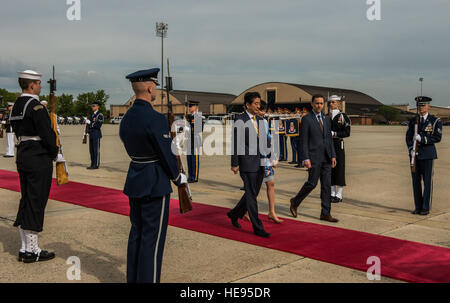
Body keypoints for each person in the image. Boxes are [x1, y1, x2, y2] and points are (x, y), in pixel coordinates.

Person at [120, 68, 187, 283]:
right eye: (155, 85)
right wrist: (178, 178)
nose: (155, 88)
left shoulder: (127, 117)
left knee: (137, 235)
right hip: (154, 182)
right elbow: (166, 154)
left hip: (135, 178)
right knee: (153, 240)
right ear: (149, 87)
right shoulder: (155, 119)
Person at [9, 70, 58, 263]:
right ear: (31, 85)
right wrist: (54, 152)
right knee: (36, 201)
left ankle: (25, 247)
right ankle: (32, 250)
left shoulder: (17, 105)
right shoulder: (36, 106)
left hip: (23, 153)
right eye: (38, 83)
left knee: (28, 199)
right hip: (38, 156)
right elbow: (47, 133)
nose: (40, 86)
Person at [289, 94, 339, 222]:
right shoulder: (307, 119)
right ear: (312, 104)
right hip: (314, 157)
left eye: (321, 103)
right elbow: (303, 140)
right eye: (317, 103)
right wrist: (305, 158)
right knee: (312, 183)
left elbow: (329, 139)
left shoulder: (327, 119)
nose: (319, 106)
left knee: (327, 186)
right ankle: (295, 201)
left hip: (327, 157)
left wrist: (333, 155)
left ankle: (325, 213)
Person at [228, 92, 271, 238]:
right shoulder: (239, 119)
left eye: (259, 103)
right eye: (256, 103)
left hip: (260, 162)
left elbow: (265, 141)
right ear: (248, 105)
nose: (259, 106)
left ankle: (234, 214)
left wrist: (271, 158)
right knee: (252, 195)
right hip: (246, 162)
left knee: (253, 192)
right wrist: (234, 163)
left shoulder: (260, 119)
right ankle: (257, 227)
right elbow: (235, 142)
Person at [406, 96, 442, 216]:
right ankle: (418, 206)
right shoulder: (413, 120)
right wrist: (411, 148)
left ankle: (425, 207)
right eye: (419, 105)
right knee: (415, 182)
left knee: (427, 182)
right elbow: (408, 137)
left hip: (427, 155)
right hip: (414, 156)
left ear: (428, 106)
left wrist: (423, 139)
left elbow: (437, 137)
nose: (420, 108)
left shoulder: (435, 121)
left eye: (423, 105)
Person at [328, 95, 351, 203]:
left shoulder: (343, 116)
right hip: (328, 145)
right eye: (330, 102)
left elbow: (347, 132)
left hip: (338, 144)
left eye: (333, 102)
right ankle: (332, 192)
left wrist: (334, 133)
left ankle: (339, 194)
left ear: (338, 103)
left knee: (339, 168)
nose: (331, 104)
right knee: (330, 169)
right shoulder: (326, 116)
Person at [186, 100, 202, 183]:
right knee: (189, 159)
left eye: (191, 106)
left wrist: (190, 126)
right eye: (189, 106)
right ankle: (190, 176)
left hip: (195, 140)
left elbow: (198, 129)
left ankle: (194, 177)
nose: (189, 108)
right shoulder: (189, 117)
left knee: (194, 159)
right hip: (189, 140)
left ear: (195, 107)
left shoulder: (198, 116)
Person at [86, 101, 103, 169]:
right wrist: (87, 131)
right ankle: (92, 164)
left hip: (96, 134)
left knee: (96, 150)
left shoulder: (100, 115)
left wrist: (90, 124)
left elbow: (98, 125)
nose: (92, 107)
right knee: (91, 150)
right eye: (92, 106)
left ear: (98, 106)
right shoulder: (92, 115)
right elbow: (90, 124)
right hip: (91, 134)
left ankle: (96, 164)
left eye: (94, 106)